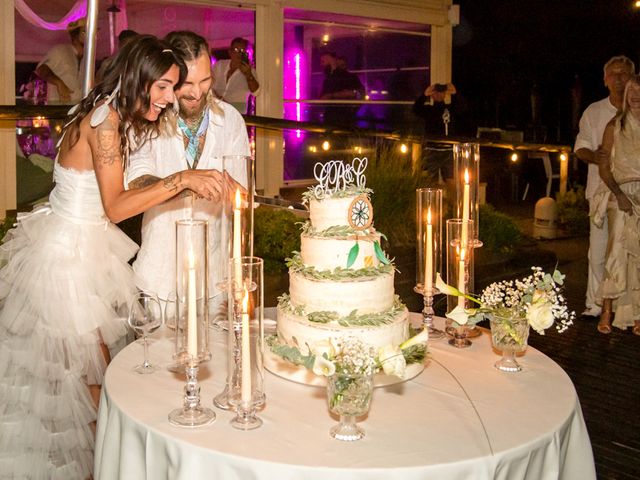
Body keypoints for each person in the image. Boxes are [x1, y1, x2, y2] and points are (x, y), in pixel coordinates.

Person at [0, 35, 223, 479]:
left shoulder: (104, 108)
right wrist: (182, 179)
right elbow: (117, 206)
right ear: (138, 77)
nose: (168, 98)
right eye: (161, 86)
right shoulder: (105, 124)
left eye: (173, 87)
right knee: (88, 385)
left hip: (75, 249)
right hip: (68, 263)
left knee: (85, 381)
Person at [127, 31, 250, 311]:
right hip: (160, 276)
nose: (197, 93)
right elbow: (137, 184)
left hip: (215, 279)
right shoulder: (148, 117)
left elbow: (242, 196)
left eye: (205, 80)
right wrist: (187, 182)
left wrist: (234, 191)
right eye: (188, 84)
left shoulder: (230, 120)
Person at [574, 55, 635, 318]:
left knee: (631, 253)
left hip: (634, 195)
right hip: (600, 191)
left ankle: (627, 308)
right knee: (598, 251)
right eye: (614, 74)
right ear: (605, 79)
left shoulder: (637, 110)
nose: (619, 79)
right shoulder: (595, 112)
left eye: (624, 74)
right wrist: (595, 156)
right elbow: (581, 147)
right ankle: (595, 304)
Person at [593, 75, 640, 335]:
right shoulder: (615, 126)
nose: (635, 96)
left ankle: (636, 314)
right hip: (619, 192)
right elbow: (603, 167)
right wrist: (619, 194)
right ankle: (607, 310)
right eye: (632, 91)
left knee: (639, 257)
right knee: (616, 251)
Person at [35, 17, 86, 104]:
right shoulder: (60, 50)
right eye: (85, 31)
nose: (91, 35)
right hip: (58, 109)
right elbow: (41, 70)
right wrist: (59, 83)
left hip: (78, 109)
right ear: (75, 35)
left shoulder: (87, 59)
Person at [212, 37, 260, 114]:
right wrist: (218, 99)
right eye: (236, 50)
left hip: (236, 113)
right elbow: (208, 83)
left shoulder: (250, 71)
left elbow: (256, 92)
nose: (239, 54)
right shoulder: (220, 65)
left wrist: (248, 75)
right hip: (216, 110)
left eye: (242, 51)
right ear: (230, 52)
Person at [319, 51, 364, 126]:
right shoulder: (328, 80)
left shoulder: (349, 77)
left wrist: (333, 95)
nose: (321, 64)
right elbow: (322, 98)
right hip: (332, 118)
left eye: (323, 61)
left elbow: (359, 94)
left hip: (344, 118)